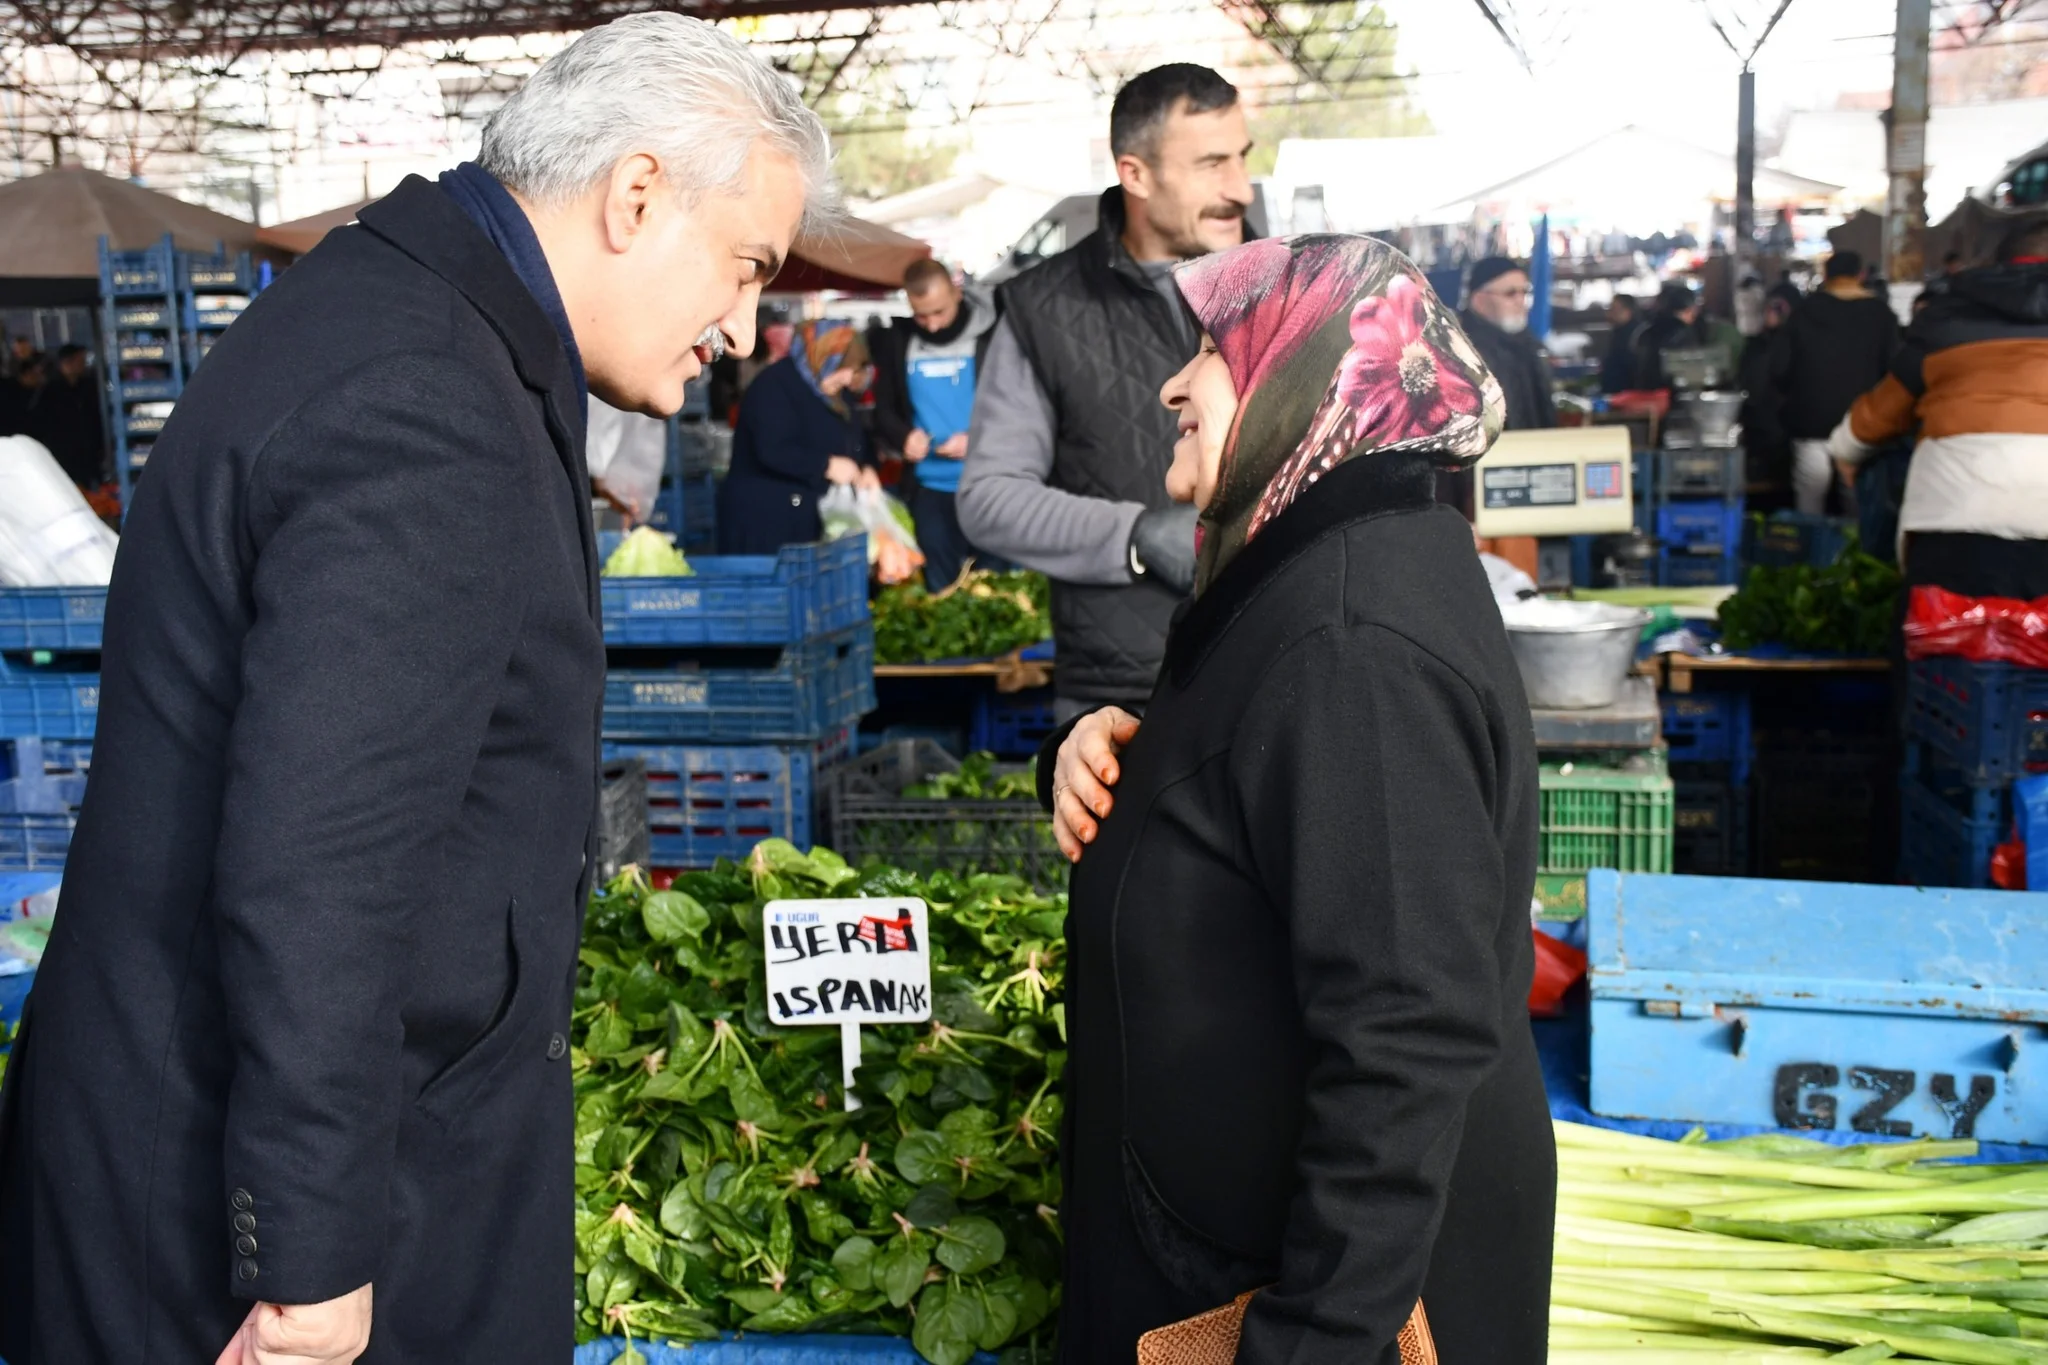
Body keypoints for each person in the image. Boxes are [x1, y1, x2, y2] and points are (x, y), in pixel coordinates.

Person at [0, 15, 830, 1365]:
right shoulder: (426, 400)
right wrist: (314, 1260)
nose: (741, 326)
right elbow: (319, 858)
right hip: (231, 1201)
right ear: (633, 196)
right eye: (744, 266)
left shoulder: (407, 321)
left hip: (263, 1120)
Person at [1037, 234, 1551, 1363]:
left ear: (1309, 373)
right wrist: (1088, 750)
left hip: (1309, 1310)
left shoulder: (1352, 643)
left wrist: (1310, 1343)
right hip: (1219, 1257)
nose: (1174, 385)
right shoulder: (1298, 574)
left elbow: (1406, 1033)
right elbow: (1236, 787)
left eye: (1213, 352)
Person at [958, 62, 1252, 721]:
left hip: (1279, 668)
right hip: (1117, 703)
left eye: (1242, 157)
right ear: (1136, 174)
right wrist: (1139, 536)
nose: (1241, 188)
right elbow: (990, 499)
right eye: (1211, 164)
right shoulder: (1042, 309)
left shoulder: (1290, 286)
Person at [1829, 219, 2048, 605]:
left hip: (1953, 534)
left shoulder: (1944, 324)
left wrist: (1846, 453)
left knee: (1940, 653)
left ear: (2000, 266)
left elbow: (1870, 422)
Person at [869, 258, 1000, 587]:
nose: (931, 325)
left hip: (993, 486)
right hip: (929, 489)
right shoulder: (899, 341)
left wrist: (977, 439)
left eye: (938, 312)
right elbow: (882, 410)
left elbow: (1027, 408)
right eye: (921, 315)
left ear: (956, 292)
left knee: (996, 585)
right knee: (940, 587)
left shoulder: (994, 335)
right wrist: (904, 437)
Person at [717, 319, 877, 554]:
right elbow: (772, 449)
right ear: (822, 356)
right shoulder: (773, 386)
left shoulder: (835, 394)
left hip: (808, 516)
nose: (847, 378)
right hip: (766, 521)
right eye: (842, 367)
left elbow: (855, 438)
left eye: (853, 369)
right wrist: (826, 465)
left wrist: (866, 467)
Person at [1770, 249, 1900, 515]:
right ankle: (1854, 553)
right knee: (1855, 501)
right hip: (1859, 422)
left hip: (1810, 420)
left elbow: (1780, 369)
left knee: (1810, 498)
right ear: (1860, 275)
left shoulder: (1803, 312)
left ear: (1826, 275)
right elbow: (1895, 369)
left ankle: (1810, 552)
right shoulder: (1881, 314)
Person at [1738, 283, 1800, 512]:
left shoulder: (1797, 344)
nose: (1770, 313)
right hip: (1759, 434)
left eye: (1778, 307)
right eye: (1768, 307)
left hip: (1786, 436)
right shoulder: (1755, 345)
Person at [34, 344, 106, 488]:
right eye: (80, 361)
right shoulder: (49, 391)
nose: (84, 365)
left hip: (88, 453)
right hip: (63, 454)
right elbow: (39, 422)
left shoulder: (88, 386)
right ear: (67, 362)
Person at [1631, 279, 1709, 392]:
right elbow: (1692, 375)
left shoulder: (1645, 331)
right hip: (1675, 399)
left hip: (1646, 397)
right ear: (1688, 309)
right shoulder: (1684, 333)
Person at [1599, 292, 1640, 393]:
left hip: (1627, 394)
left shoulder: (1636, 335)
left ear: (1627, 311)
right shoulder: (1618, 332)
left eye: (1613, 309)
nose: (1609, 314)